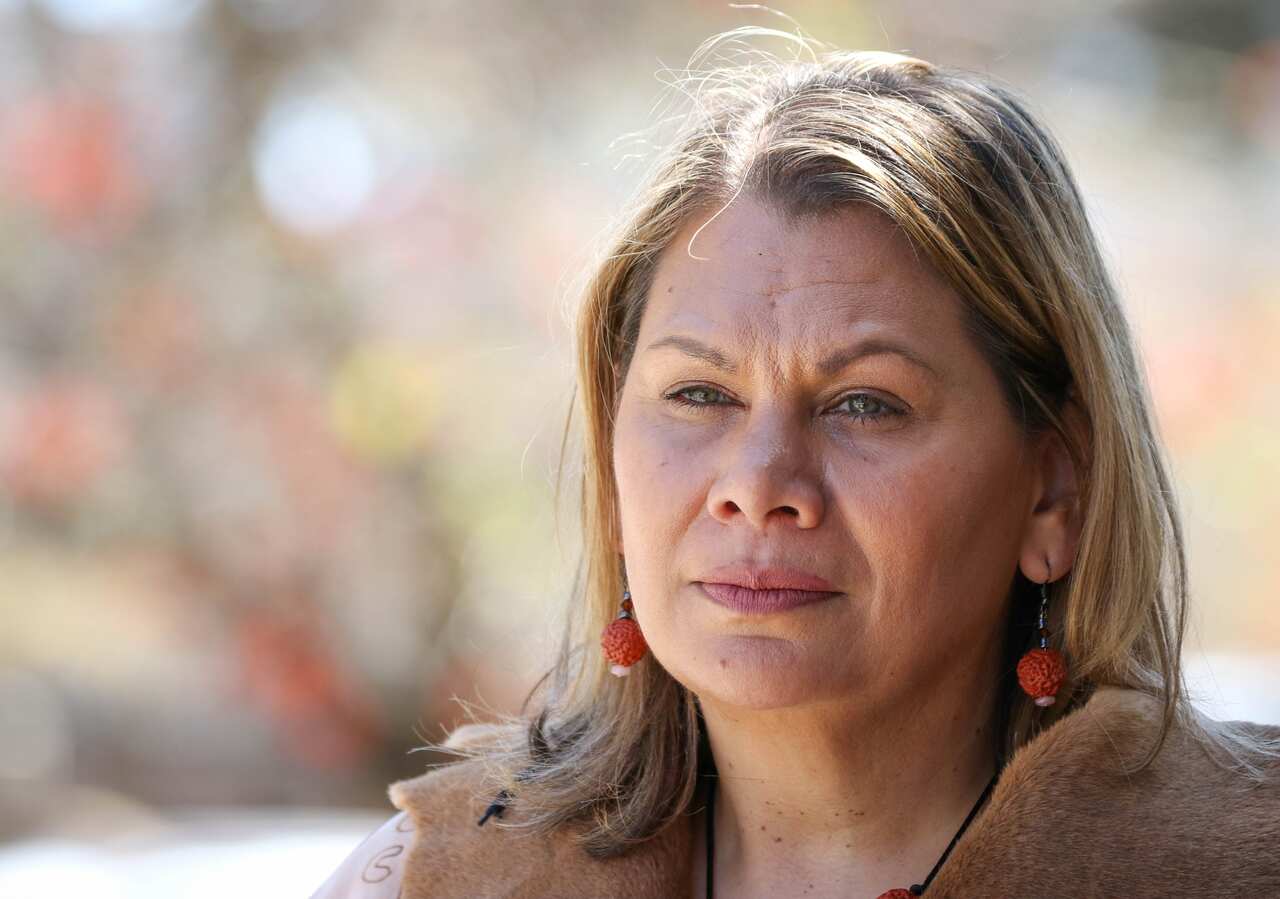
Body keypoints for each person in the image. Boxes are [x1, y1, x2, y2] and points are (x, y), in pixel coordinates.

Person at [312, 29, 1280, 899]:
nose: (759, 482)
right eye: (697, 393)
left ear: (1054, 486)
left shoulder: (1238, 863)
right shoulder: (436, 876)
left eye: (864, 403)